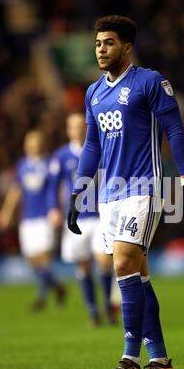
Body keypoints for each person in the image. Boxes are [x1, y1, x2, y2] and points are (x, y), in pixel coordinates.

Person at [67, 15, 184, 369]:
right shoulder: (93, 92)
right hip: (109, 195)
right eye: (97, 43)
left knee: (123, 263)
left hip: (144, 188)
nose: (101, 49)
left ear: (126, 47)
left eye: (108, 43)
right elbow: (92, 145)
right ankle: (159, 361)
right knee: (138, 277)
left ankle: (129, 358)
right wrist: (78, 191)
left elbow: (175, 128)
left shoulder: (151, 82)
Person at [47, 112, 117, 326]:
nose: (77, 129)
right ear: (68, 130)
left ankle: (108, 305)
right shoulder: (60, 156)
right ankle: (93, 312)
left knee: (104, 262)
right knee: (83, 265)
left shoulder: (100, 150)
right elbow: (53, 185)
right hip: (76, 216)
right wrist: (53, 209)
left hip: (99, 215)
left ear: (86, 127)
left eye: (81, 125)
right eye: (73, 126)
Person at [0, 130, 66, 310]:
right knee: (31, 259)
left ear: (42, 144)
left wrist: (58, 209)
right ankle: (58, 288)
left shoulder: (50, 163)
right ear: (26, 145)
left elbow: (58, 188)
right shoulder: (22, 165)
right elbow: (16, 190)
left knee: (43, 257)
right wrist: (6, 212)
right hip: (27, 218)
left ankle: (41, 298)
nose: (33, 146)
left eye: (36, 142)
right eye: (30, 143)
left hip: (45, 216)